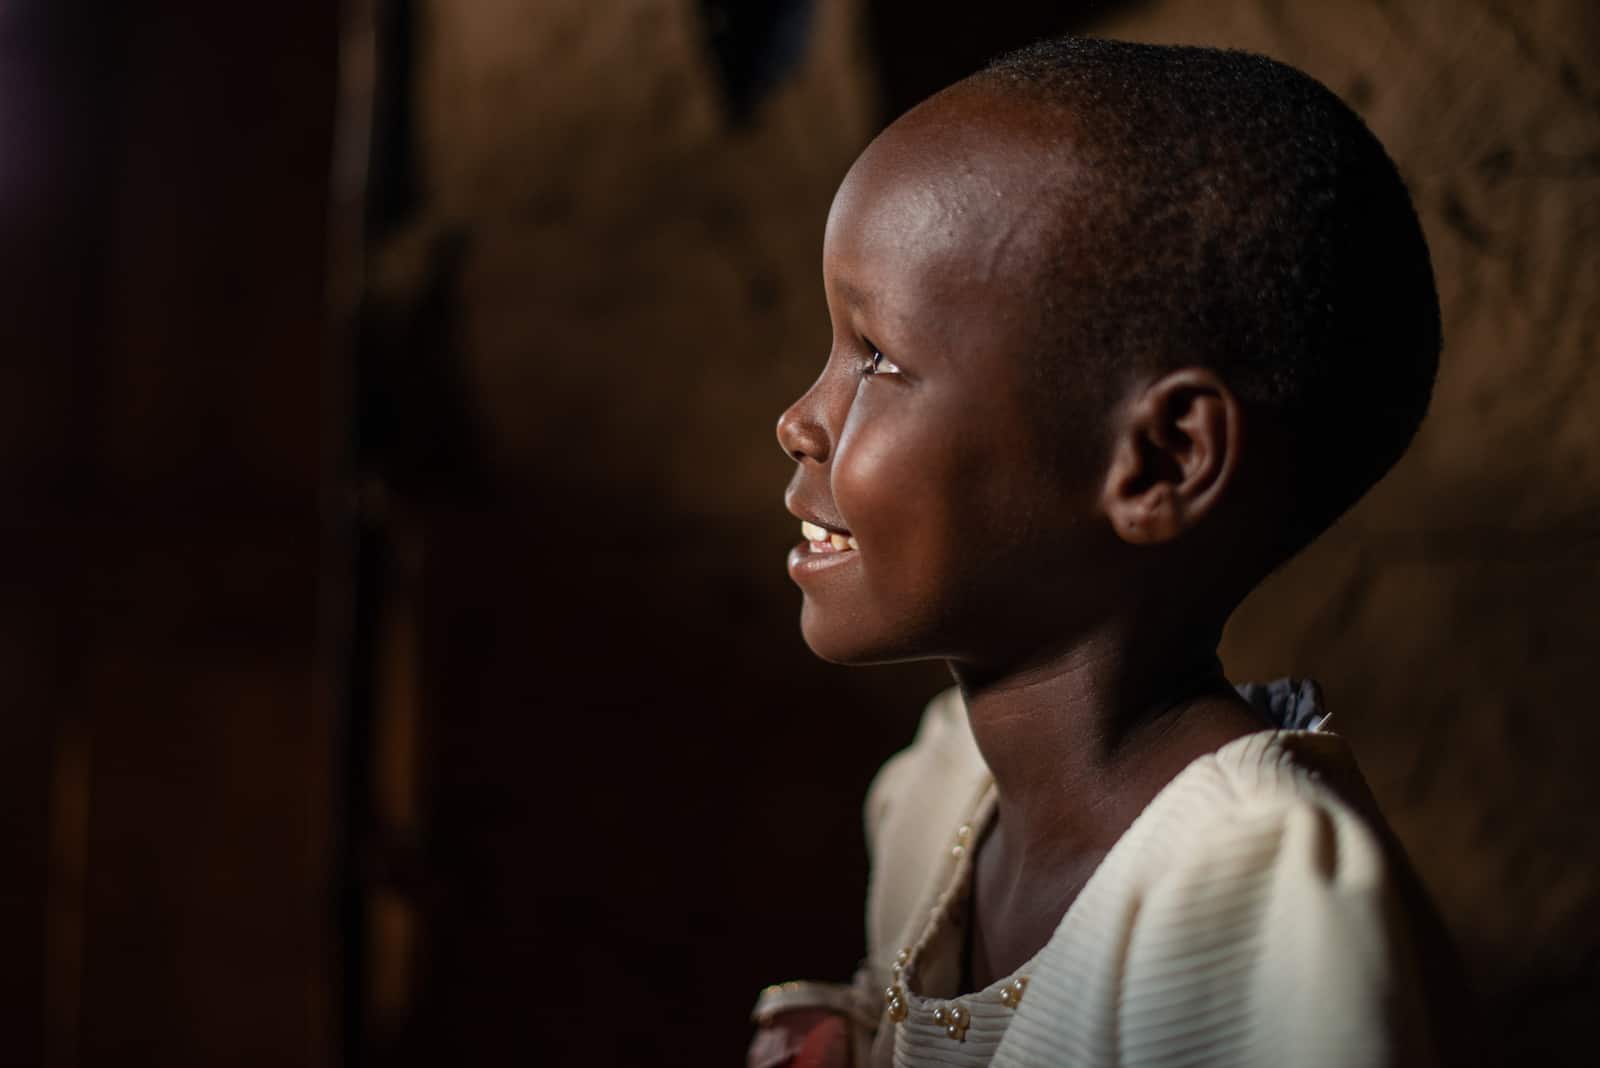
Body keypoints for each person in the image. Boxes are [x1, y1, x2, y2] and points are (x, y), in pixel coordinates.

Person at [750, 35, 1472, 1068]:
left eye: (875, 358)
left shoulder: (1247, 902)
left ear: (1160, 461)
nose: (797, 421)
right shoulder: (946, 787)